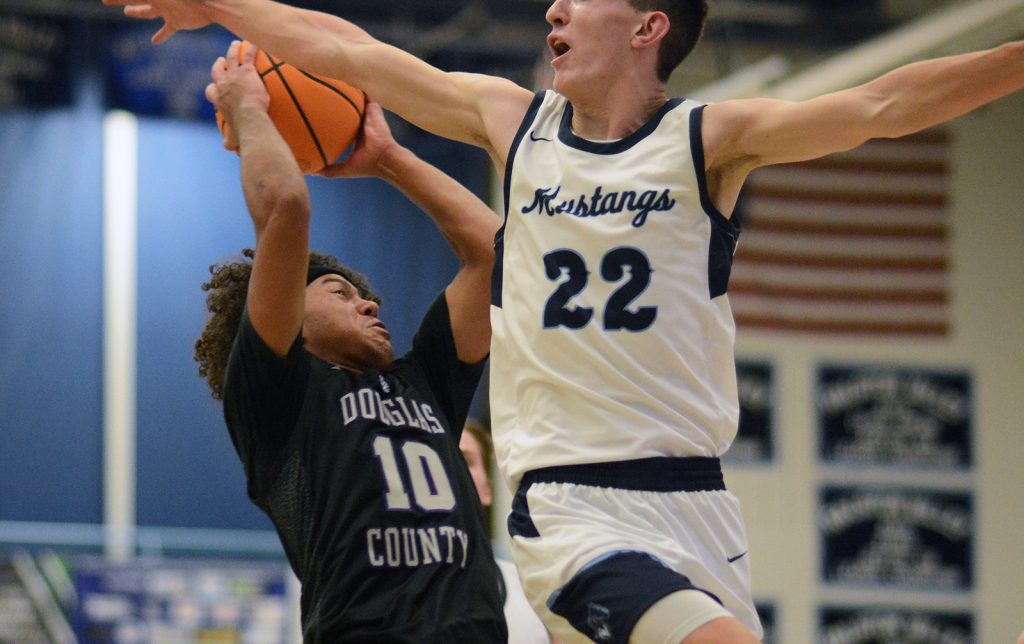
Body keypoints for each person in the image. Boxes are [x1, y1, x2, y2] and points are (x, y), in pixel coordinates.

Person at [105, 0, 1024, 640]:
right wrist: (215, 4)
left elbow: (884, 105)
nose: (553, 10)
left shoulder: (706, 139)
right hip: (573, 504)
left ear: (647, 26)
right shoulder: (516, 123)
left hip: (700, 505)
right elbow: (345, 52)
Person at [191, 41, 506, 641]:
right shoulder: (279, 400)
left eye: (365, 296)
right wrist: (249, 109)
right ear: (292, 316)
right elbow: (285, 206)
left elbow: (495, 252)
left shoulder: (424, 383)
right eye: (340, 292)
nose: (369, 303)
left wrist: (389, 158)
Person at [460, 419, 554, 644]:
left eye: (464, 460)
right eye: (441, 459)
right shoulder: (387, 594)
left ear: (487, 488)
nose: (452, 470)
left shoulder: (534, 588)